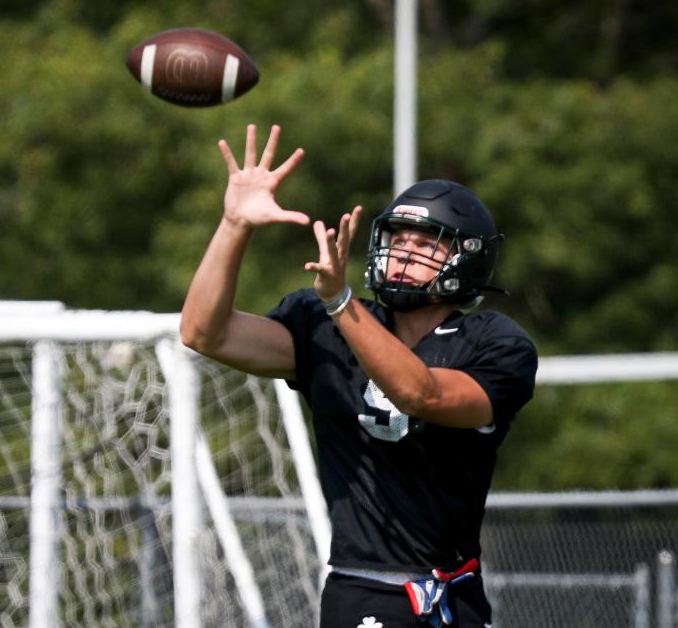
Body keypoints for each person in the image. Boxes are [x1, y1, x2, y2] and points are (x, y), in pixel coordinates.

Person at [180, 124, 538, 628]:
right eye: (397, 237)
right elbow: (204, 333)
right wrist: (234, 225)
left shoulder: (493, 342)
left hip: (455, 594)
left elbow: (420, 392)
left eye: (427, 242)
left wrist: (342, 305)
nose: (404, 252)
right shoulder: (324, 324)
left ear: (467, 258)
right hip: (366, 590)